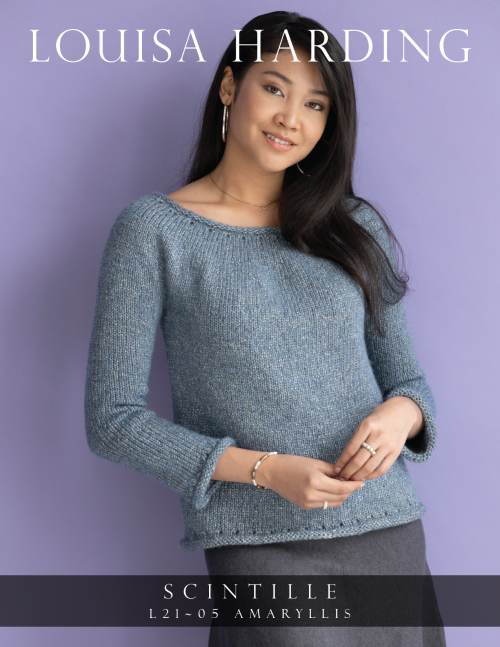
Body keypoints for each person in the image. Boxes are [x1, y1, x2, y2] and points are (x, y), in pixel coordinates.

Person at [84, 10, 446, 646]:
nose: (291, 118)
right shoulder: (155, 231)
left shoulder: (354, 227)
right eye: (274, 87)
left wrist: (401, 415)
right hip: (257, 540)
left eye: (315, 104)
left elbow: (410, 384)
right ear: (231, 86)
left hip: (385, 527)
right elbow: (112, 421)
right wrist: (266, 471)